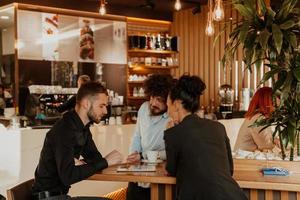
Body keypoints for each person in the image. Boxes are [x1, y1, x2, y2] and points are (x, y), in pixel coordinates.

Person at [32, 82, 123, 200]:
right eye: (101, 106)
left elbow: (95, 157)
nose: (106, 111)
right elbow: (68, 176)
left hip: (61, 196)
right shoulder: (64, 129)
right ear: (86, 104)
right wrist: (106, 161)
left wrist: (84, 163)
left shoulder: (83, 128)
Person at [164, 75, 247, 200]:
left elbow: (171, 170)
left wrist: (170, 132)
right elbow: (229, 169)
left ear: (176, 104)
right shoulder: (218, 127)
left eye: (168, 105)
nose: (167, 112)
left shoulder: (173, 133)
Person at [126, 74, 174, 200]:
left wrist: (144, 155)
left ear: (168, 101)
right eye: (152, 97)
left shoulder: (173, 118)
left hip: (161, 176)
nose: (153, 103)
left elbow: (173, 151)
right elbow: (137, 136)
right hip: (138, 175)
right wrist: (134, 154)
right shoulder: (143, 108)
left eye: (159, 99)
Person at [234, 87, 275, 151]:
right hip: (244, 159)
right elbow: (266, 145)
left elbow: (269, 137)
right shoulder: (259, 118)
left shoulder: (256, 116)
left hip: (243, 157)